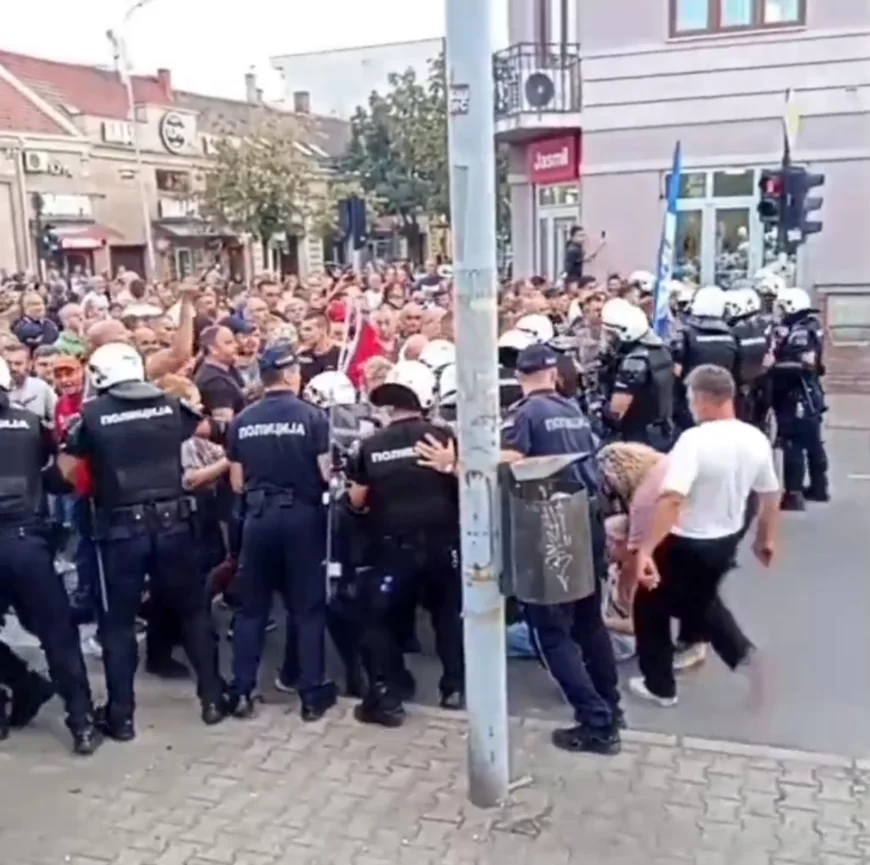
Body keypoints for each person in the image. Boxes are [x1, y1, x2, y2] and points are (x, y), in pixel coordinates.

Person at [420, 343, 623, 755]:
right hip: (586, 522)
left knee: (551, 631)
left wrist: (452, 464)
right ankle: (611, 706)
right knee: (589, 622)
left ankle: (596, 722)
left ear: (520, 376)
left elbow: (502, 468)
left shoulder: (526, 415)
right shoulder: (573, 411)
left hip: (549, 528)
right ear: (553, 374)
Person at [57, 342, 228, 740]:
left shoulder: (91, 415)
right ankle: (213, 698)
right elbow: (214, 431)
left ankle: (122, 717)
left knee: (117, 625)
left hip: (119, 535)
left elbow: (65, 473)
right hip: (175, 526)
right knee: (193, 613)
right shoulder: (172, 406)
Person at [630, 365, 780, 707]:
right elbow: (770, 492)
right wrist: (766, 538)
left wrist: (647, 550)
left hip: (686, 540)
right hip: (726, 538)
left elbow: (672, 498)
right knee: (698, 600)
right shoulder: (754, 437)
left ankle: (660, 685)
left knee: (651, 606)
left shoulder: (694, 441)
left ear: (700, 398)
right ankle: (745, 659)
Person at [346, 359, 464, 727]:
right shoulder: (444, 438)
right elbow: (468, 484)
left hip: (394, 548)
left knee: (381, 617)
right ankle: (454, 687)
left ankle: (392, 692)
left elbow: (356, 500)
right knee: (447, 617)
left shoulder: (370, 445)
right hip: (445, 545)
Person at [226, 340, 338, 722]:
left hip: (257, 520)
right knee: (306, 609)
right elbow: (327, 474)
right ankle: (310, 695)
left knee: (251, 610)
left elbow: (237, 481)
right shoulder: (313, 417)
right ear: (291, 374)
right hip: (302, 519)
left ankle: (242, 690)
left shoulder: (243, 420)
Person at [0, 356, 102, 755]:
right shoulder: (30, 424)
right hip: (28, 543)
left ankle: (22, 687)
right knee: (58, 635)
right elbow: (60, 478)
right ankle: (82, 722)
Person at [770, 287, 829, 510]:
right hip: (809, 393)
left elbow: (806, 363)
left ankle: (793, 494)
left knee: (793, 441)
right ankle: (819, 487)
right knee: (813, 441)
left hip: (798, 393)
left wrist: (773, 367)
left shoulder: (801, 331)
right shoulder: (808, 325)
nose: (780, 311)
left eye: (783, 307)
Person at [599, 298, 674, 451]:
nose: (608, 340)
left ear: (625, 333)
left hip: (638, 440)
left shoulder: (635, 361)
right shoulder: (662, 351)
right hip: (664, 433)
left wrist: (596, 405)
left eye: (611, 334)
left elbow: (615, 413)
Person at [670, 285, 738, 432]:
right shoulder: (731, 335)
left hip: (690, 400)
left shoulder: (685, 335)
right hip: (721, 400)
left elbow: (675, 371)